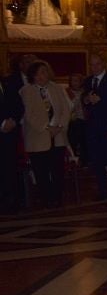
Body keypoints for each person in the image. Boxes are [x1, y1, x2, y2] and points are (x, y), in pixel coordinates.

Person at [19, 60, 70, 207]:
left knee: (57, 169)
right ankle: (46, 198)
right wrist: (46, 128)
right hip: (38, 136)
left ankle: (57, 197)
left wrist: (59, 126)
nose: (40, 76)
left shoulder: (57, 88)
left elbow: (65, 109)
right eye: (37, 74)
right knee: (41, 171)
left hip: (58, 135)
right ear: (32, 76)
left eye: (43, 72)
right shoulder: (26, 90)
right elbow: (29, 115)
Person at [82, 54, 107, 200]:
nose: (95, 67)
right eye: (92, 65)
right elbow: (84, 99)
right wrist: (86, 99)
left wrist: (100, 100)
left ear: (103, 64)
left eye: (97, 64)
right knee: (96, 160)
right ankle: (103, 191)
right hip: (92, 127)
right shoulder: (88, 81)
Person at [0, 66, 23, 213]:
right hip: (1, 129)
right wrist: (2, 123)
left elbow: (19, 105)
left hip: (9, 135)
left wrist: (14, 120)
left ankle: (12, 202)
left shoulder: (8, 84)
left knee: (10, 169)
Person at [66, 73, 87, 165]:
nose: (74, 83)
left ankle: (84, 159)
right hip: (72, 120)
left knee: (84, 140)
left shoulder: (85, 91)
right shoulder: (66, 92)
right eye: (72, 80)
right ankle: (74, 158)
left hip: (84, 119)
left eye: (76, 80)